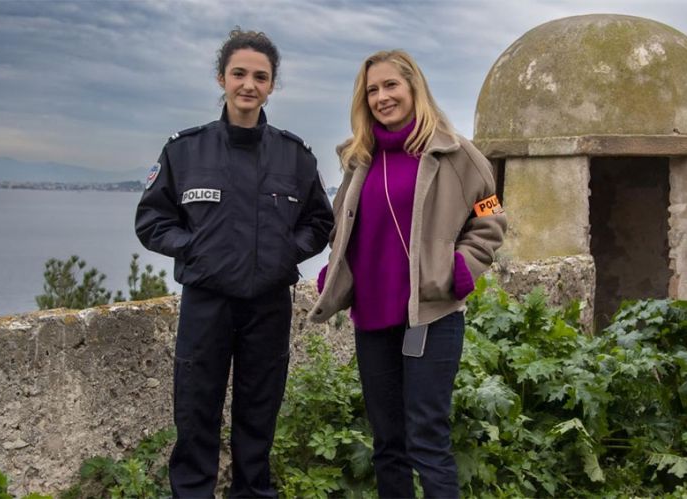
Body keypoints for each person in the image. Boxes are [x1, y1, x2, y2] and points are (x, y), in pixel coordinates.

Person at [135, 28, 333, 498]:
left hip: (268, 305)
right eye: (239, 73)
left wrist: (286, 251)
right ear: (222, 78)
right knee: (195, 413)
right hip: (206, 304)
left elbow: (319, 221)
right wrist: (196, 247)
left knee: (259, 414)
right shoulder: (184, 150)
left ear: (272, 86)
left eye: (260, 77)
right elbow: (152, 220)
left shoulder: (295, 155)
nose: (249, 84)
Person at [310, 50, 507, 498]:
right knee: (388, 445)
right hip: (373, 319)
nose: (382, 97)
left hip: (432, 317)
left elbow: (491, 216)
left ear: (413, 87)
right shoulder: (357, 159)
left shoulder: (457, 155)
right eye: (372, 90)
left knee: (428, 442)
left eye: (390, 86)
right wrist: (336, 270)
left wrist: (463, 266)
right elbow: (348, 225)